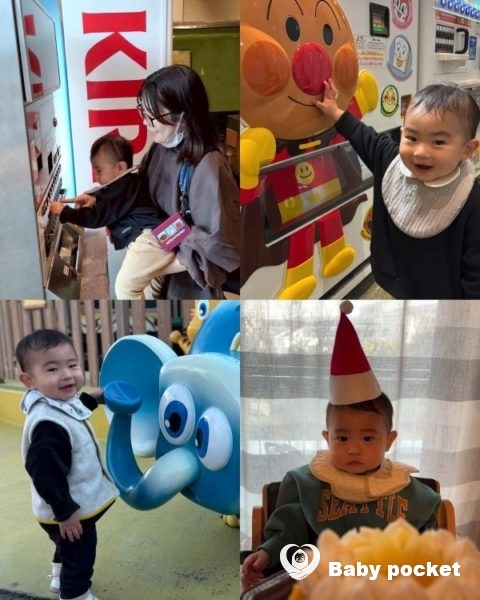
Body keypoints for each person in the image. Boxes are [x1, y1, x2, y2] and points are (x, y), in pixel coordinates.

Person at [241, 303, 441, 590]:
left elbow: (428, 545)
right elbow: (288, 532)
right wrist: (266, 553)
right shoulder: (306, 484)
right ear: (327, 438)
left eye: (368, 438)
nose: (354, 449)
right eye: (342, 438)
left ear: (389, 440)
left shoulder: (411, 492)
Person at [314, 80, 480, 299]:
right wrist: (334, 110)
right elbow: (363, 136)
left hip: (441, 300)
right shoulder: (391, 161)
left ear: (467, 150)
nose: (420, 152)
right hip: (394, 280)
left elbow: (475, 275)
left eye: (438, 142)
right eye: (411, 138)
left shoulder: (471, 201)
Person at [119, 64, 240, 299]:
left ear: (184, 115)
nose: (145, 123)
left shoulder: (209, 166)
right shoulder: (160, 148)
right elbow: (141, 188)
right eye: (143, 113)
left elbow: (221, 245)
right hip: (167, 245)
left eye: (152, 117)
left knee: (125, 287)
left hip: (189, 284)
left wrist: (157, 267)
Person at [16, 329, 118, 600]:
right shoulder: (48, 425)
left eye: (72, 365)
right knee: (80, 553)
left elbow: (73, 407)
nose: (67, 375)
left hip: (61, 509)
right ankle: (75, 594)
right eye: (52, 369)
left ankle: (58, 575)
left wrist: (94, 398)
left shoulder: (55, 401)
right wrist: (65, 513)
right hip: (68, 508)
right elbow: (44, 473)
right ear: (29, 380)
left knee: (65, 545)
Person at [49, 134, 174, 297]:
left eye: (99, 171)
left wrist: (64, 212)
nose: (96, 177)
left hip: (151, 238)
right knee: (150, 284)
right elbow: (110, 199)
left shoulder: (119, 189)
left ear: (120, 167)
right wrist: (95, 198)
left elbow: (96, 217)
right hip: (162, 233)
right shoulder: (129, 181)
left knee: (124, 288)